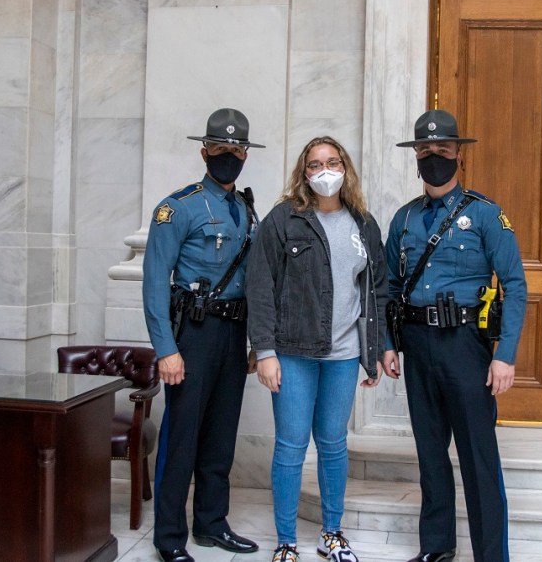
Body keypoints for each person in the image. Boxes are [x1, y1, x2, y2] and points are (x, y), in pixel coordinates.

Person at [382, 110, 527, 562]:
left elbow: (516, 284)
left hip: (467, 346)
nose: (434, 159)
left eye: (442, 151)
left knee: (478, 457)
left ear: (458, 154)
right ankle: (437, 548)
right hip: (417, 343)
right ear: (416, 158)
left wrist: (505, 354)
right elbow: (388, 286)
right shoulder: (403, 220)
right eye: (425, 152)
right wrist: (388, 344)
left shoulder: (486, 215)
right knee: (430, 454)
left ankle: (490, 556)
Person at [245, 136, 388, 562]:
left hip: (343, 357)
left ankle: (332, 533)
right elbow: (260, 286)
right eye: (314, 165)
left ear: (345, 167)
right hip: (292, 352)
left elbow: (376, 291)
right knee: (290, 447)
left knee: (333, 444)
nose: (324, 171)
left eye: (332, 162)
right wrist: (265, 351)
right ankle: (286, 541)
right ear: (303, 173)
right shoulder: (282, 220)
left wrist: (374, 351)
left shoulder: (363, 222)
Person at [142, 108, 263, 562]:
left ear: (246, 155)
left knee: (220, 435)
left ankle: (212, 524)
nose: (228, 155)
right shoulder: (179, 207)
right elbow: (155, 283)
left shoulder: (248, 209)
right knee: (182, 437)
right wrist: (165, 350)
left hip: (232, 334)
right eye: (219, 148)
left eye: (236, 149)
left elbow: (254, 281)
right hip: (191, 333)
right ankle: (169, 539)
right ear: (204, 151)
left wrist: (255, 341)